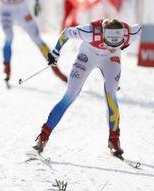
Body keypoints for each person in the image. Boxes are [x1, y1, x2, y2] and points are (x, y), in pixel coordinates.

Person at [33, 17, 142, 157]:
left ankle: (114, 140)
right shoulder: (90, 31)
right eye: (109, 42)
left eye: (117, 43)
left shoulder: (130, 33)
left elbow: (147, 27)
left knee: (111, 96)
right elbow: (66, 32)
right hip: (87, 58)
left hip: (110, 60)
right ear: (102, 35)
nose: (112, 45)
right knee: (69, 95)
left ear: (123, 36)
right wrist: (55, 52)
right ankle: (44, 135)